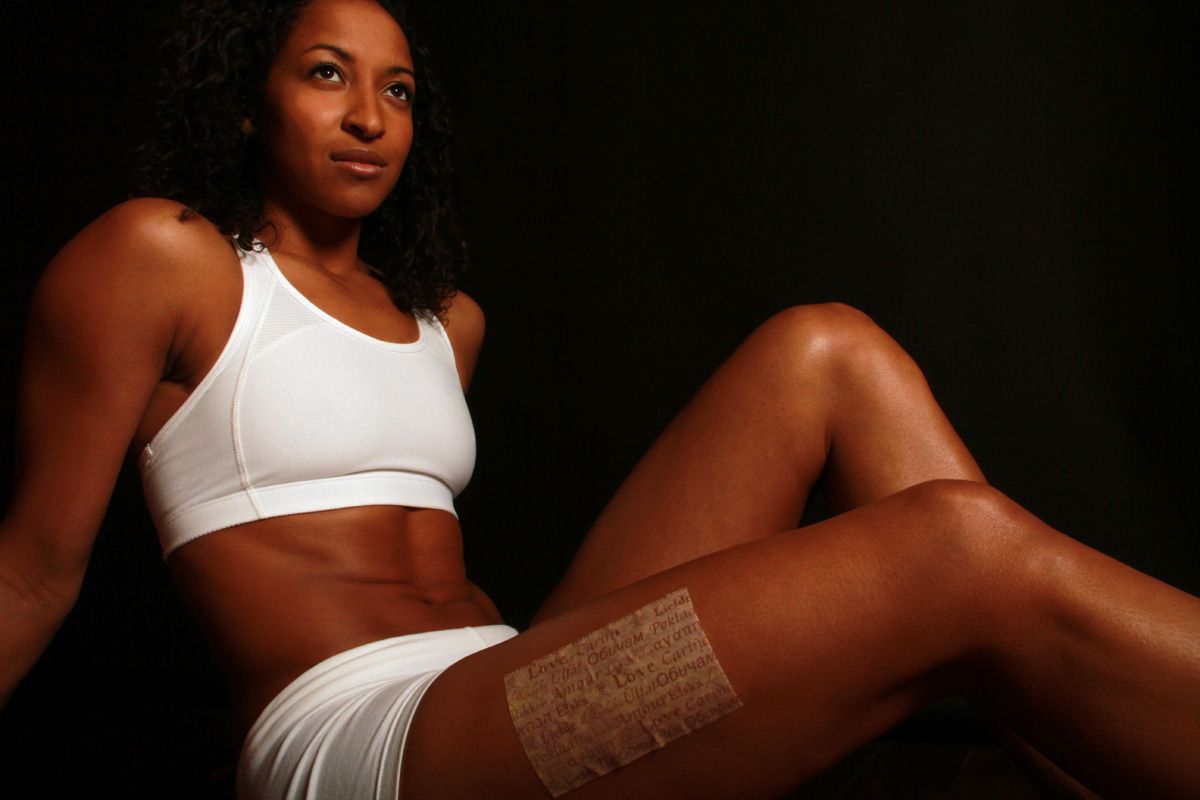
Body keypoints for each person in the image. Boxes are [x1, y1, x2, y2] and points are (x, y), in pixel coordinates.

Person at [1, 0, 1197, 797]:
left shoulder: (446, 322)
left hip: (504, 693)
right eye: (327, 75)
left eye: (399, 90)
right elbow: (32, 572)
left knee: (824, 349)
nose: (370, 117)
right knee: (954, 548)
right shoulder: (164, 257)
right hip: (368, 744)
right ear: (247, 100)